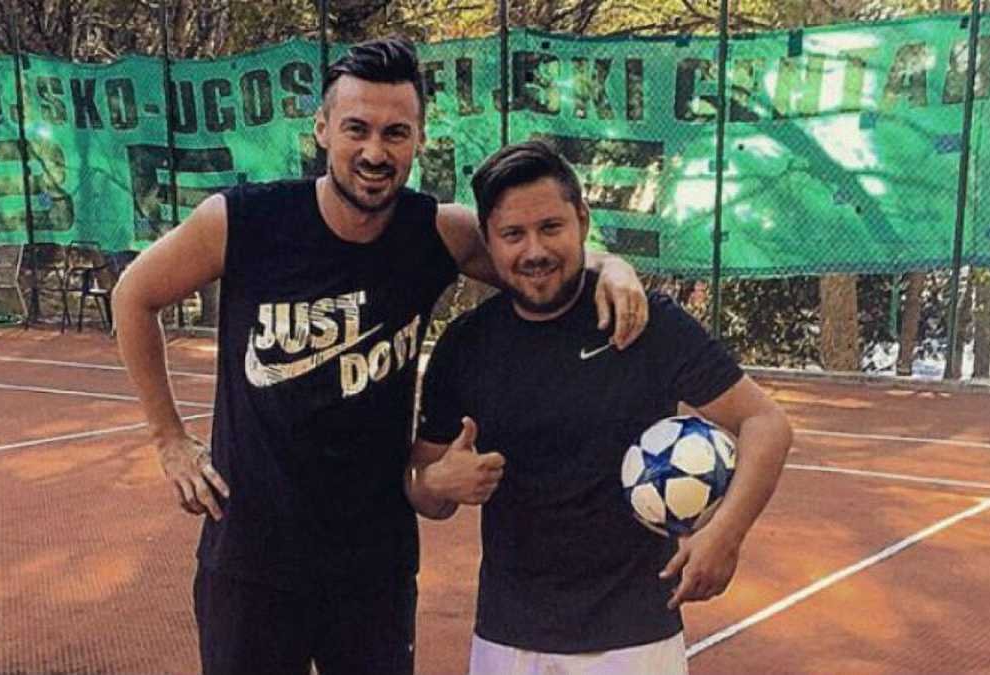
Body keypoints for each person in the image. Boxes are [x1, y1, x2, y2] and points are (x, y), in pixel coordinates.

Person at [112, 39, 650, 675]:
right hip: (252, 559)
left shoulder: (436, 233)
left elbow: (533, 259)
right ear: (322, 129)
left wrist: (612, 264)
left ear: (419, 139)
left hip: (373, 565)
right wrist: (169, 439)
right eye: (356, 129)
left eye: (396, 133)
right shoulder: (242, 221)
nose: (375, 151)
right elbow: (134, 296)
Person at [406, 141, 793, 675]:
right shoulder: (465, 346)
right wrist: (437, 482)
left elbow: (765, 422)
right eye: (513, 235)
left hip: (633, 639)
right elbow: (424, 487)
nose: (534, 250)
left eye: (551, 227)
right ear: (488, 243)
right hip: (508, 640)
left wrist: (726, 533)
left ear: (582, 221)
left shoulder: (642, 321)